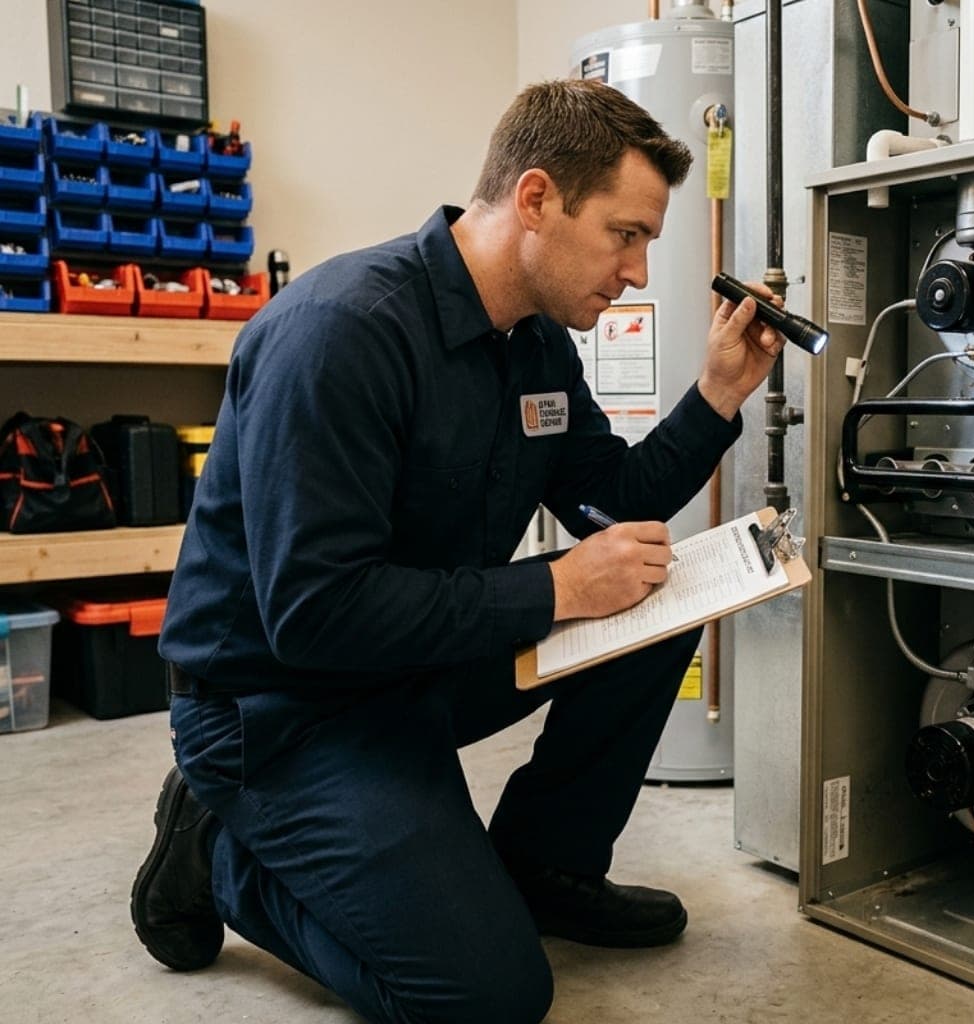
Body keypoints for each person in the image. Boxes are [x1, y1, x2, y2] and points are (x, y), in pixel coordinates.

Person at [130, 79, 784, 1024]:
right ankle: (224, 857)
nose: (638, 271)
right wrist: (554, 586)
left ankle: (544, 868)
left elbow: (612, 501)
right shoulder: (342, 336)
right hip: (281, 710)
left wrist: (717, 394)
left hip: (413, 668)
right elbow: (316, 615)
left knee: (656, 603)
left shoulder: (534, 345)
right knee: (487, 998)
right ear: (535, 200)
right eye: (626, 234)